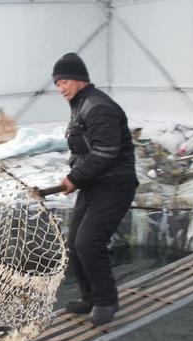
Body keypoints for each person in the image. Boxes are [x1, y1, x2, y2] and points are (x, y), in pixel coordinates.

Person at [52, 52, 138, 326]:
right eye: (57, 84)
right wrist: (75, 176)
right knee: (75, 243)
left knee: (89, 242)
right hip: (95, 184)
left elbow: (106, 151)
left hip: (115, 185)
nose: (60, 88)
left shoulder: (98, 106)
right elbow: (85, 149)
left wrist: (75, 178)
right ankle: (89, 297)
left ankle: (106, 301)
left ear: (80, 79)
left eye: (64, 81)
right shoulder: (80, 104)